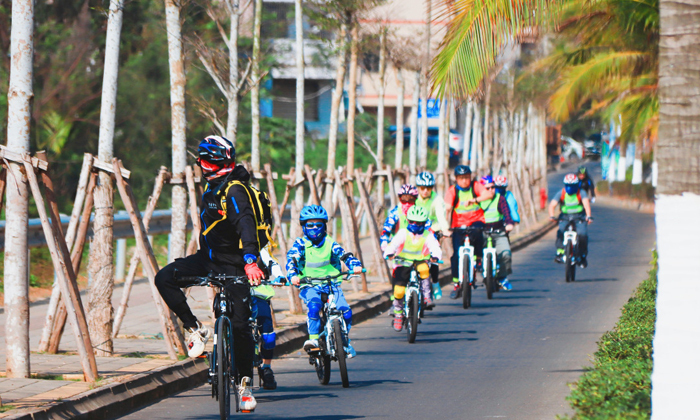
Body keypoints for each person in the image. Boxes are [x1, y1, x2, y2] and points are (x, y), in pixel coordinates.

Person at [155, 135, 263, 412]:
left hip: (237, 265)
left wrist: (251, 261)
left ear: (216, 163)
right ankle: (196, 329)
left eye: (205, 161)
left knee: (240, 327)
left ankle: (244, 385)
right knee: (164, 278)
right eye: (201, 160)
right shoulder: (213, 187)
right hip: (208, 260)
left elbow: (246, 225)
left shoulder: (234, 190)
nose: (201, 166)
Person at [286, 205, 364, 358]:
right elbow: (291, 260)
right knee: (314, 307)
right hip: (310, 285)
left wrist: (355, 265)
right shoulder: (300, 244)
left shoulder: (330, 243)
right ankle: (313, 339)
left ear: (324, 226)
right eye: (310, 225)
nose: (315, 228)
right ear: (303, 227)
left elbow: (344, 255)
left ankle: (345, 342)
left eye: (318, 225)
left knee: (346, 313)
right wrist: (292, 275)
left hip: (331, 284)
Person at [383, 206, 442, 332]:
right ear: (408, 221)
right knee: (398, 291)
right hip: (403, 262)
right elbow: (393, 244)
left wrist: (436, 256)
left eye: (419, 222)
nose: (416, 225)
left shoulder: (427, 235)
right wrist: (389, 253)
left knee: (425, 270)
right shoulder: (403, 233)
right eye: (413, 222)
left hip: (420, 261)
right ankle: (398, 313)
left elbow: (435, 246)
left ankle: (426, 297)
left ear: (424, 222)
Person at [444, 165, 490, 299]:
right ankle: (456, 284)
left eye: (467, 178)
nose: (464, 181)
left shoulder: (475, 187)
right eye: (461, 178)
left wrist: (474, 200)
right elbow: (447, 207)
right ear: (456, 179)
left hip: (476, 221)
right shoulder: (452, 191)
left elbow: (488, 194)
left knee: (478, 233)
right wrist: (445, 227)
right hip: (458, 225)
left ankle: (479, 259)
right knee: (456, 256)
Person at [252, 246, 285, 390]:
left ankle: (266, 368)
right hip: (234, 293)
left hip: (258, 294)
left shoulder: (258, 247)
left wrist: (279, 276)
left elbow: (271, 262)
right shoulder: (226, 242)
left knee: (268, 332)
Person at [415, 171, 450, 300]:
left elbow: (441, 216)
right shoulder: (414, 198)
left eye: (428, 188)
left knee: (434, 258)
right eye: (422, 188)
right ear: (418, 187)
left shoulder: (437, 199)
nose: (425, 191)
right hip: (416, 232)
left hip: (432, 231)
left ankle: (435, 283)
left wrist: (445, 229)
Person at [478, 176, 516, 291]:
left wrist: (509, 223)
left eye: (493, 187)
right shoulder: (477, 201)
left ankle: (502, 277)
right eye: (487, 188)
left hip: (499, 232)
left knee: (506, 254)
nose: (491, 190)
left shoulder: (500, 199)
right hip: (482, 233)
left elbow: (507, 213)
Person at [548, 173, 593, 267]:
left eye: (572, 186)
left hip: (579, 217)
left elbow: (586, 205)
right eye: (568, 185)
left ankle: (582, 255)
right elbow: (552, 205)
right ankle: (560, 252)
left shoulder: (581, 193)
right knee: (560, 231)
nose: (570, 188)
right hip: (565, 217)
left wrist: (588, 216)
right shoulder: (562, 193)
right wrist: (551, 216)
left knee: (582, 234)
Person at [380, 184, 430, 251]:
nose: (407, 203)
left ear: (415, 200)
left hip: (418, 248)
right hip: (398, 250)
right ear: (399, 199)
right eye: (403, 200)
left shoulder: (420, 211)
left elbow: (428, 229)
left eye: (411, 200)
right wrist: (384, 243)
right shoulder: (395, 213)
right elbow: (386, 230)